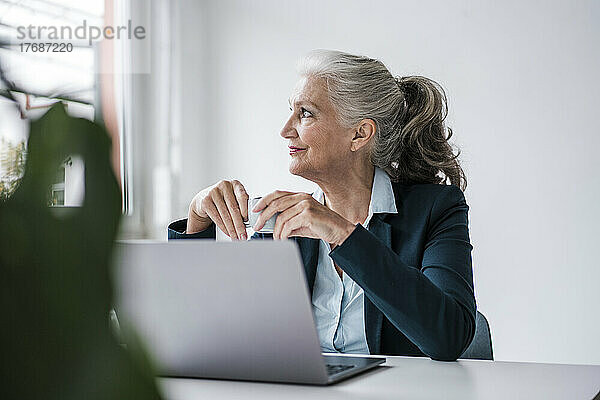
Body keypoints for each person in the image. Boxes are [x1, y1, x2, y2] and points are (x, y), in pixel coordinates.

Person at [168, 49, 476, 361]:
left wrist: (344, 235)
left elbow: (449, 336)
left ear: (359, 133)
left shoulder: (436, 209)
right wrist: (197, 217)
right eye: (291, 111)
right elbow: (192, 330)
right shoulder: (279, 219)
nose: (286, 130)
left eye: (305, 113)